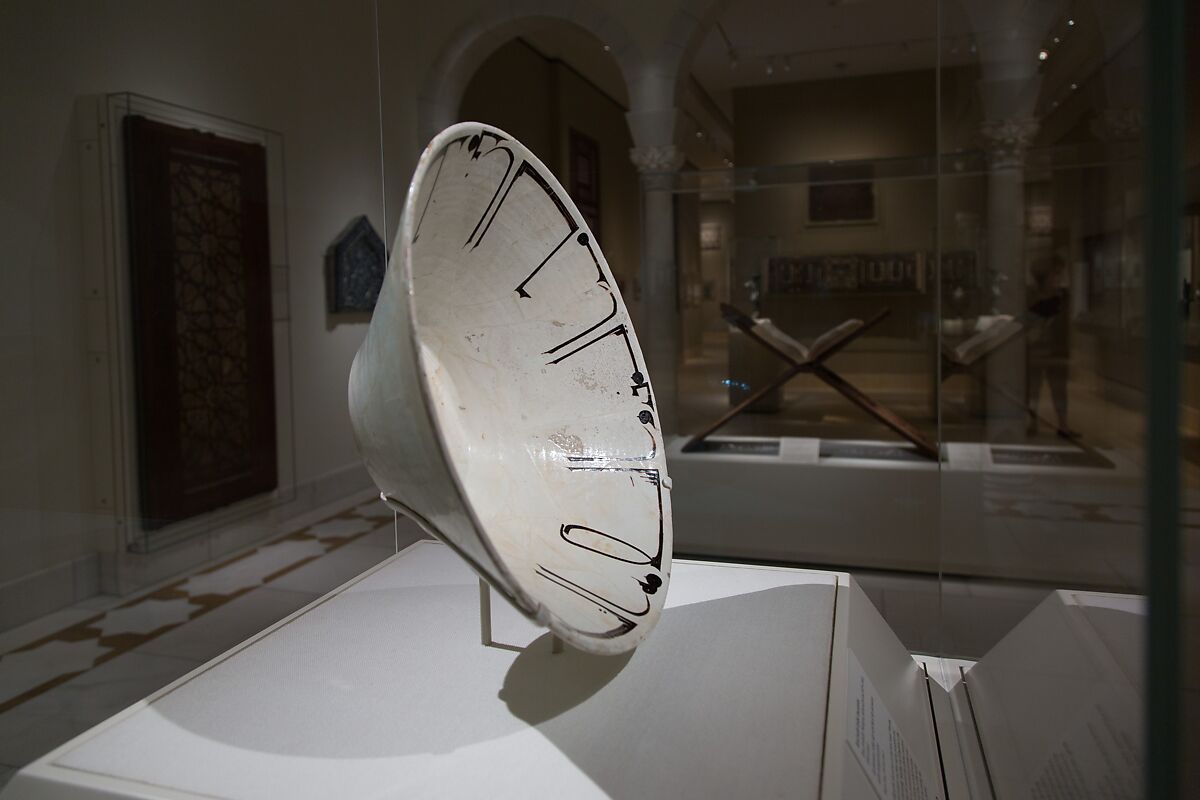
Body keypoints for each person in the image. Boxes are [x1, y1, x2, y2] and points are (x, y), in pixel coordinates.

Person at [1026, 255, 1074, 437]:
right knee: (1034, 389)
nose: (1058, 278)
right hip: (1037, 350)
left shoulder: (1062, 298)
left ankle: (1063, 424)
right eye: (1056, 274)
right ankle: (1032, 422)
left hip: (1055, 350)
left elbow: (1063, 328)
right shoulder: (1033, 297)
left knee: (1059, 389)